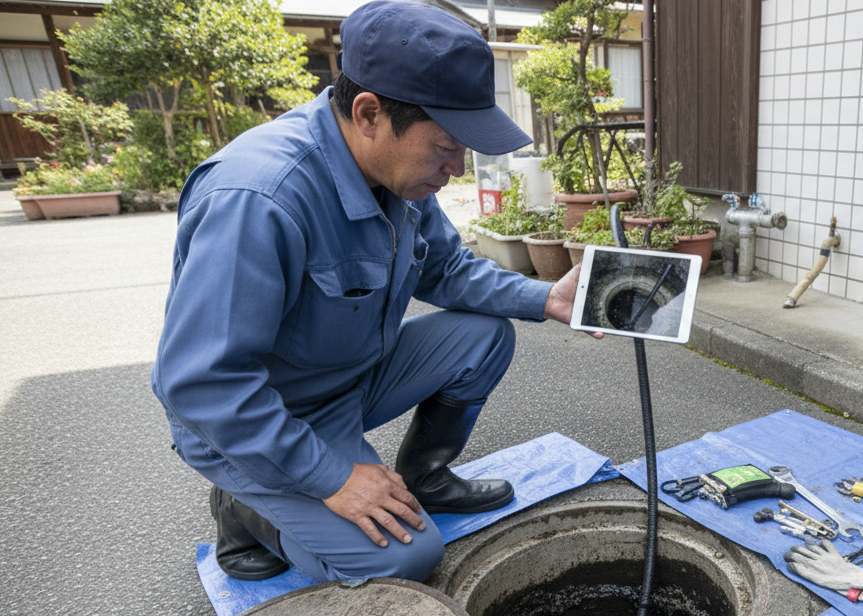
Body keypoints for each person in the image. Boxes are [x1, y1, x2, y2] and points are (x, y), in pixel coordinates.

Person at [151, 0, 595, 585]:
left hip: (346, 380)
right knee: (404, 559)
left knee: (484, 335)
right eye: (446, 146)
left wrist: (545, 298)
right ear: (368, 114)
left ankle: (424, 478)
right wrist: (333, 478)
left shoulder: (395, 175)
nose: (458, 168)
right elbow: (202, 384)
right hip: (264, 419)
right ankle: (248, 508)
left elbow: (446, 268)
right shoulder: (256, 199)